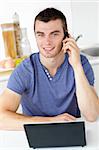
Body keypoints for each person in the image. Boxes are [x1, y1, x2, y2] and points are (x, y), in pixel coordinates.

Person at [0, 8, 99, 130]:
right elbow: (1, 118)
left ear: (66, 36)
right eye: (40, 35)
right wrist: (51, 121)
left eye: (54, 34)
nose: (47, 42)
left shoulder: (80, 63)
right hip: (35, 134)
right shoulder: (25, 70)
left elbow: (92, 115)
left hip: (70, 132)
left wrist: (76, 66)